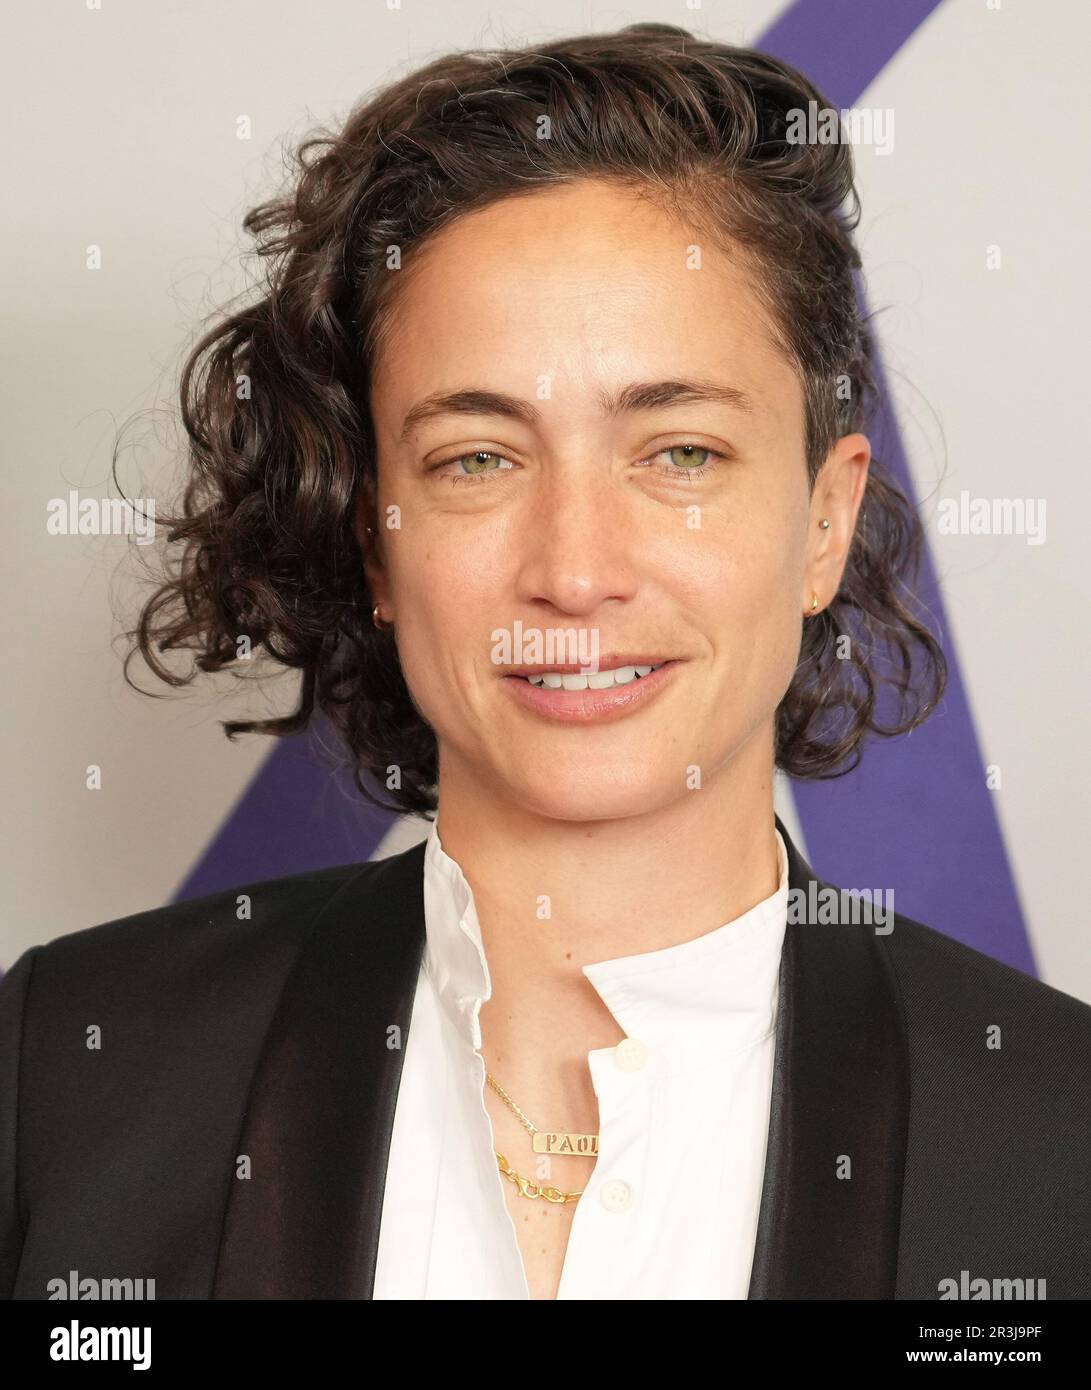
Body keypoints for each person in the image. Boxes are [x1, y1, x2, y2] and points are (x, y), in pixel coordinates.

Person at [2, 23, 1088, 1302]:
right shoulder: (68, 1071)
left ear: (820, 523)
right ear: (373, 543)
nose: (576, 571)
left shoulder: (1054, 1137)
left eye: (678, 452)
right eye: (477, 458)